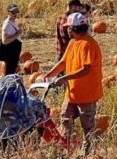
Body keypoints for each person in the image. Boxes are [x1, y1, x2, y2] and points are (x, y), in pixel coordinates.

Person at [45, 12, 103, 157]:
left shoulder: (88, 44)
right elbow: (63, 62)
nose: (67, 30)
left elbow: (86, 68)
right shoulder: (72, 43)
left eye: (68, 28)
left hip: (87, 94)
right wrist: (48, 74)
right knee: (65, 120)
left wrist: (63, 78)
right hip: (71, 94)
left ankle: (87, 154)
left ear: (74, 28)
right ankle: (65, 151)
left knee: (87, 127)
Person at [0, 3, 23, 76]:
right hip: (10, 53)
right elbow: (4, 41)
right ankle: (7, 86)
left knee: (12, 71)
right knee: (9, 73)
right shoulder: (7, 24)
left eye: (16, 11)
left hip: (14, 52)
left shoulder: (13, 22)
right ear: (8, 13)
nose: (15, 14)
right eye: (13, 12)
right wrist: (17, 34)